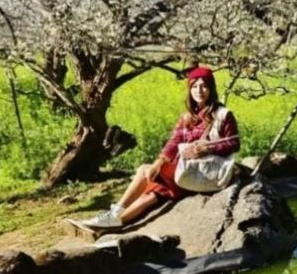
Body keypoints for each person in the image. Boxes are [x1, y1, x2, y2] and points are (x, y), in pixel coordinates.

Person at [79, 66, 240, 229]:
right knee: (151, 196)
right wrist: (158, 163)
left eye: (204, 86)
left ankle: (114, 213)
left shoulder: (223, 115)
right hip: (186, 173)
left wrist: (207, 149)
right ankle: (114, 223)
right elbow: (174, 143)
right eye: (194, 86)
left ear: (211, 88)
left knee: (143, 170)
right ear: (189, 89)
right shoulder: (187, 117)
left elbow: (234, 143)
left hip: (206, 172)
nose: (199, 90)